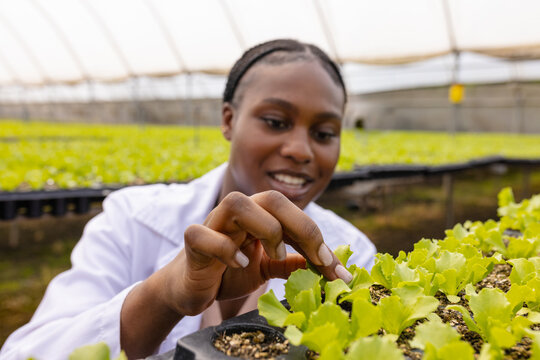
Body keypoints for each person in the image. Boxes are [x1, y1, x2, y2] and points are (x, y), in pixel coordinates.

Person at [0, 39, 376, 360]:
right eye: (276, 122)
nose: (300, 150)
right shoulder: (132, 219)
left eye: (325, 133)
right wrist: (164, 295)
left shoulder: (354, 253)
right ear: (228, 121)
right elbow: (27, 353)